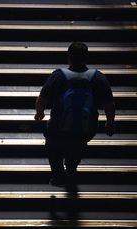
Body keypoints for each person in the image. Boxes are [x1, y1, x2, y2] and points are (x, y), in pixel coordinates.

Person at [35, 42, 115, 186]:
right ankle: (71, 167)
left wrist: (39, 113)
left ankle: (58, 177)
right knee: (78, 148)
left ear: (68, 57)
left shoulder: (58, 76)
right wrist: (109, 123)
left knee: (54, 151)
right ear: (86, 58)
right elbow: (109, 104)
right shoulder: (98, 78)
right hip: (85, 128)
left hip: (58, 127)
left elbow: (42, 99)